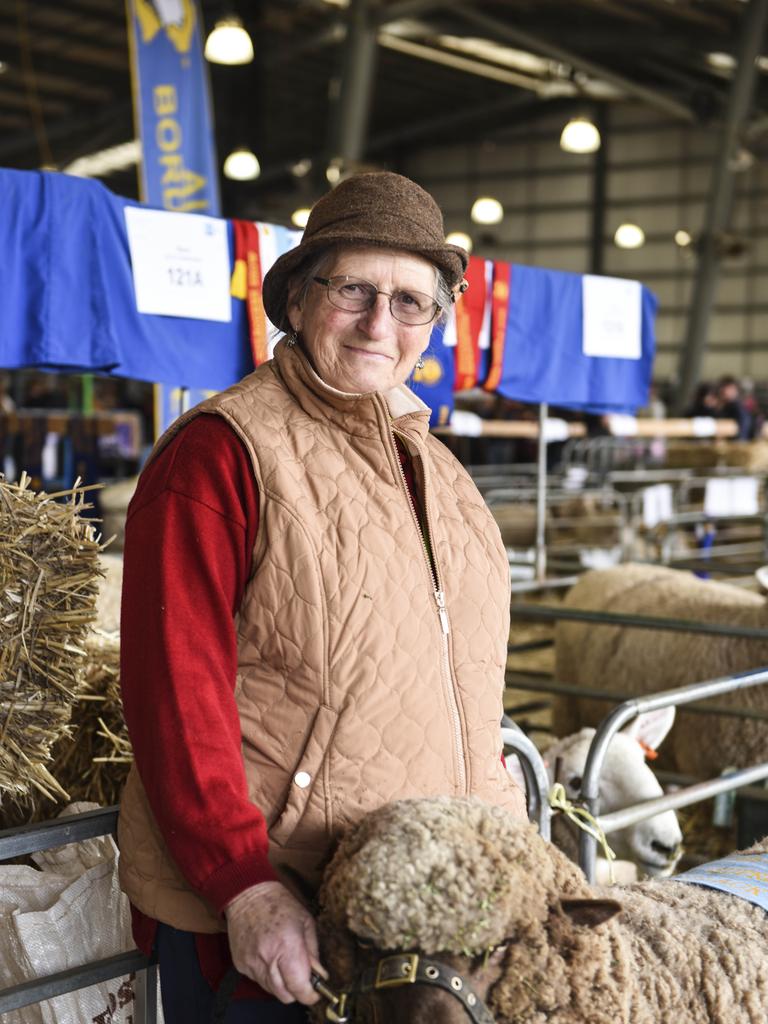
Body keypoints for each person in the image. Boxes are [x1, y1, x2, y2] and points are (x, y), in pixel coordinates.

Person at [116, 171, 527, 1023]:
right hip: (269, 924)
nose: (381, 322)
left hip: (413, 920)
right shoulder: (220, 455)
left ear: (434, 324)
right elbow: (173, 696)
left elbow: (464, 685)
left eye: (410, 301)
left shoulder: (446, 479)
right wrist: (243, 886)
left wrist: (498, 820)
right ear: (300, 301)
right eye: (354, 290)